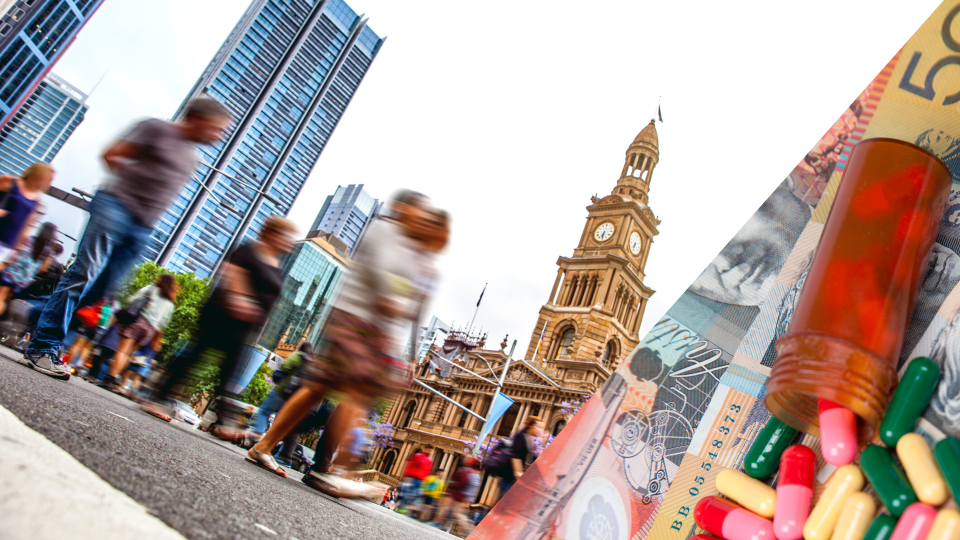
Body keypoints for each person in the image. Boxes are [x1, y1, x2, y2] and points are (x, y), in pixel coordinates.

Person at [22, 98, 230, 379]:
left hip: (142, 227)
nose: (218, 136)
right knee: (83, 274)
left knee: (103, 289)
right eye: (216, 129)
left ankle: (37, 314)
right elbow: (112, 154)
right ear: (196, 118)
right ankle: (43, 347)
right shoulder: (156, 129)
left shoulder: (193, 158)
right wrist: (126, 190)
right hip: (115, 206)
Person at [248, 191, 444, 486]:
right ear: (404, 209)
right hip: (353, 319)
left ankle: (270, 449)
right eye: (420, 213)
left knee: (322, 389)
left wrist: (412, 352)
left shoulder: (412, 250)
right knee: (352, 394)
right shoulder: (384, 229)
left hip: (374, 331)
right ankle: (333, 470)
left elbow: (414, 307)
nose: (423, 219)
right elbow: (379, 271)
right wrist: (393, 296)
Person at [143, 216, 296, 435]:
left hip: (243, 330)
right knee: (193, 359)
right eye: (286, 236)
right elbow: (233, 273)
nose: (289, 242)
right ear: (272, 234)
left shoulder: (277, 264)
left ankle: (224, 422)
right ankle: (157, 398)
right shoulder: (249, 251)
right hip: (221, 318)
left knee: (229, 373)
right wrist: (240, 299)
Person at [101, 274, 178, 389]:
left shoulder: (151, 289)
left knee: (122, 350)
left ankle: (109, 378)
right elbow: (163, 323)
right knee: (128, 354)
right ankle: (114, 378)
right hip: (149, 330)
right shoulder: (170, 304)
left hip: (138, 321)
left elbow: (132, 299)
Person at [248, 342, 314, 439]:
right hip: (293, 397)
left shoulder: (298, 356)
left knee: (264, 411)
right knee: (279, 420)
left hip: (282, 391)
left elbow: (285, 366)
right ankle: (270, 441)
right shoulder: (311, 363)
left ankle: (258, 432)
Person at [0, 163, 54, 264]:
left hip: (7, 245)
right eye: (49, 178)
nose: (49, 183)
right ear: (39, 175)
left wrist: (14, 253)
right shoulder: (10, 181)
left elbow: (26, 227)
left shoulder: (37, 201)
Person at [0, 222, 58, 314]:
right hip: (24, 279)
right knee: (5, 298)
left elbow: (17, 254)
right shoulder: (48, 251)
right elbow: (43, 269)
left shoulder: (30, 240)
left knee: (1, 297)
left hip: (12, 272)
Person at [494, 415, 544, 500]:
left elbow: (530, 459)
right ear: (531, 425)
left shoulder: (529, 439)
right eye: (538, 427)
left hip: (515, 480)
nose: (540, 430)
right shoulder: (521, 436)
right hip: (510, 478)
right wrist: (518, 473)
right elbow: (515, 454)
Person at [431, 458, 481, 537]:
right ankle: (445, 525)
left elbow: (461, 483)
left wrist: (451, 487)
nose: (464, 460)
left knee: (447, 508)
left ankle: (439, 522)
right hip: (463, 495)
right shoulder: (475, 475)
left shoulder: (466, 471)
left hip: (457, 493)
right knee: (456, 513)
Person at [396, 446, 433, 514]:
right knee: (407, 493)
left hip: (420, 480)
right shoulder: (417, 456)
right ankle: (401, 507)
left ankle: (408, 509)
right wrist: (407, 475)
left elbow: (427, 472)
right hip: (412, 477)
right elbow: (410, 465)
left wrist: (425, 483)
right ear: (424, 449)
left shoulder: (429, 460)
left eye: (430, 451)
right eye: (428, 450)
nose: (429, 452)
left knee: (415, 495)